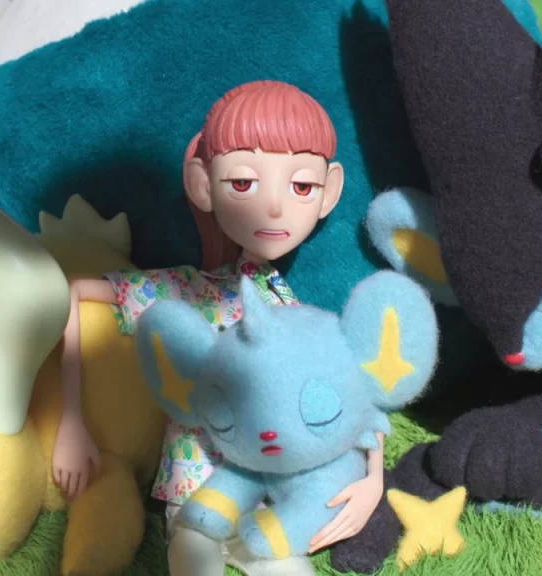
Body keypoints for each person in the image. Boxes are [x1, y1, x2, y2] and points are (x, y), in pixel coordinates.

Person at [52, 80, 386, 575]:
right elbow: (75, 295)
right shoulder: (182, 291)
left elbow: (350, 385)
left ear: (329, 192)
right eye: (245, 183)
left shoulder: (290, 309)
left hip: (272, 488)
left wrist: (373, 478)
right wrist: (71, 422)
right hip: (195, 491)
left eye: (300, 186)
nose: (275, 208)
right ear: (204, 185)